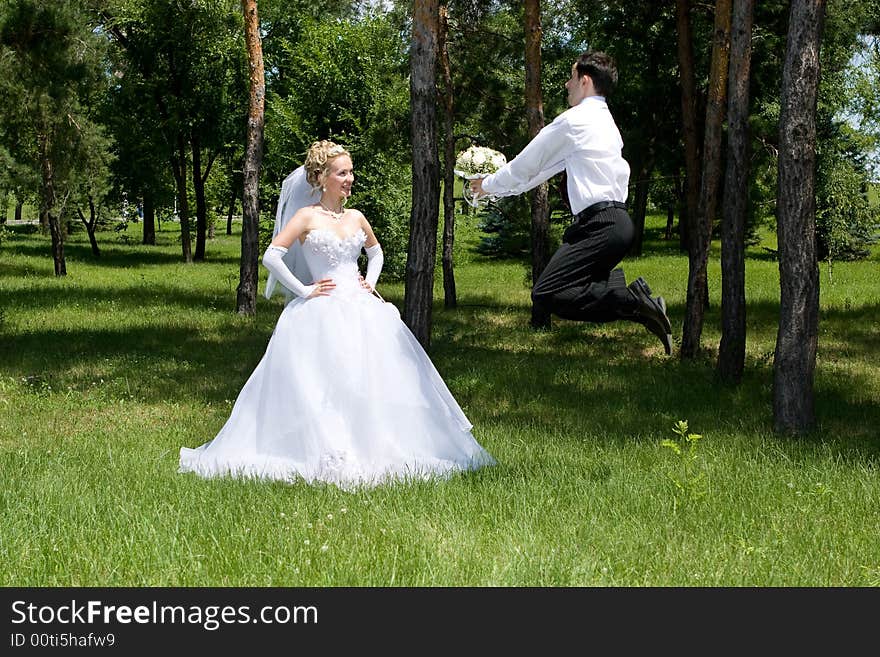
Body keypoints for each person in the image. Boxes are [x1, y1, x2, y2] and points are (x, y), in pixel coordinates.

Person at [180, 140, 495, 489]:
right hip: (322, 308)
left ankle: (374, 446)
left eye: (350, 172)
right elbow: (271, 256)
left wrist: (369, 284)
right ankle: (328, 449)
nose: (350, 179)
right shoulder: (305, 216)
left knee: (368, 378)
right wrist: (304, 290)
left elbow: (375, 254)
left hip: (362, 308)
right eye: (342, 173)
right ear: (320, 177)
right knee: (325, 383)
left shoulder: (356, 217)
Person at [470, 51, 673, 354]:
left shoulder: (574, 121)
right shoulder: (606, 123)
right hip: (616, 224)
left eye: (571, 77)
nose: (567, 84)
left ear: (585, 81)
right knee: (567, 291)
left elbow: (526, 164)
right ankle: (632, 299)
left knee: (547, 293)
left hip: (600, 225)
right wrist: (496, 190)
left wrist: (486, 184)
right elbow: (540, 172)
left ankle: (634, 301)